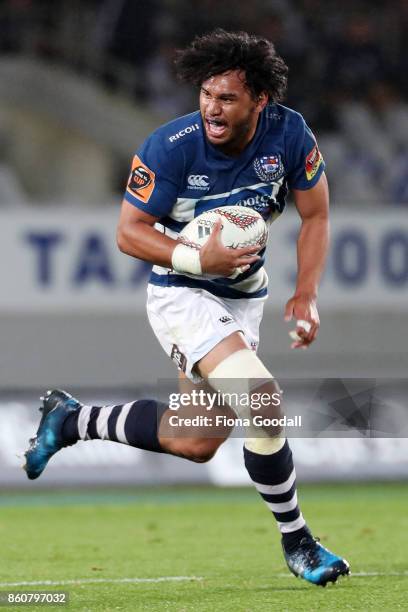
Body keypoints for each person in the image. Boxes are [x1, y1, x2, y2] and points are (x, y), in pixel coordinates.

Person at [24, 29, 349, 587]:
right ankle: (299, 543)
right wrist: (200, 259)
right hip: (181, 290)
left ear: (259, 101)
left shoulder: (290, 134)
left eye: (226, 98)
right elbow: (129, 233)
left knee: (195, 439)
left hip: (245, 295)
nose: (212, 108)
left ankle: (72, 420)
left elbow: (316, 215)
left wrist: (307, 292)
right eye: (206, 94)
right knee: (263, 399)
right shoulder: (169, 147)